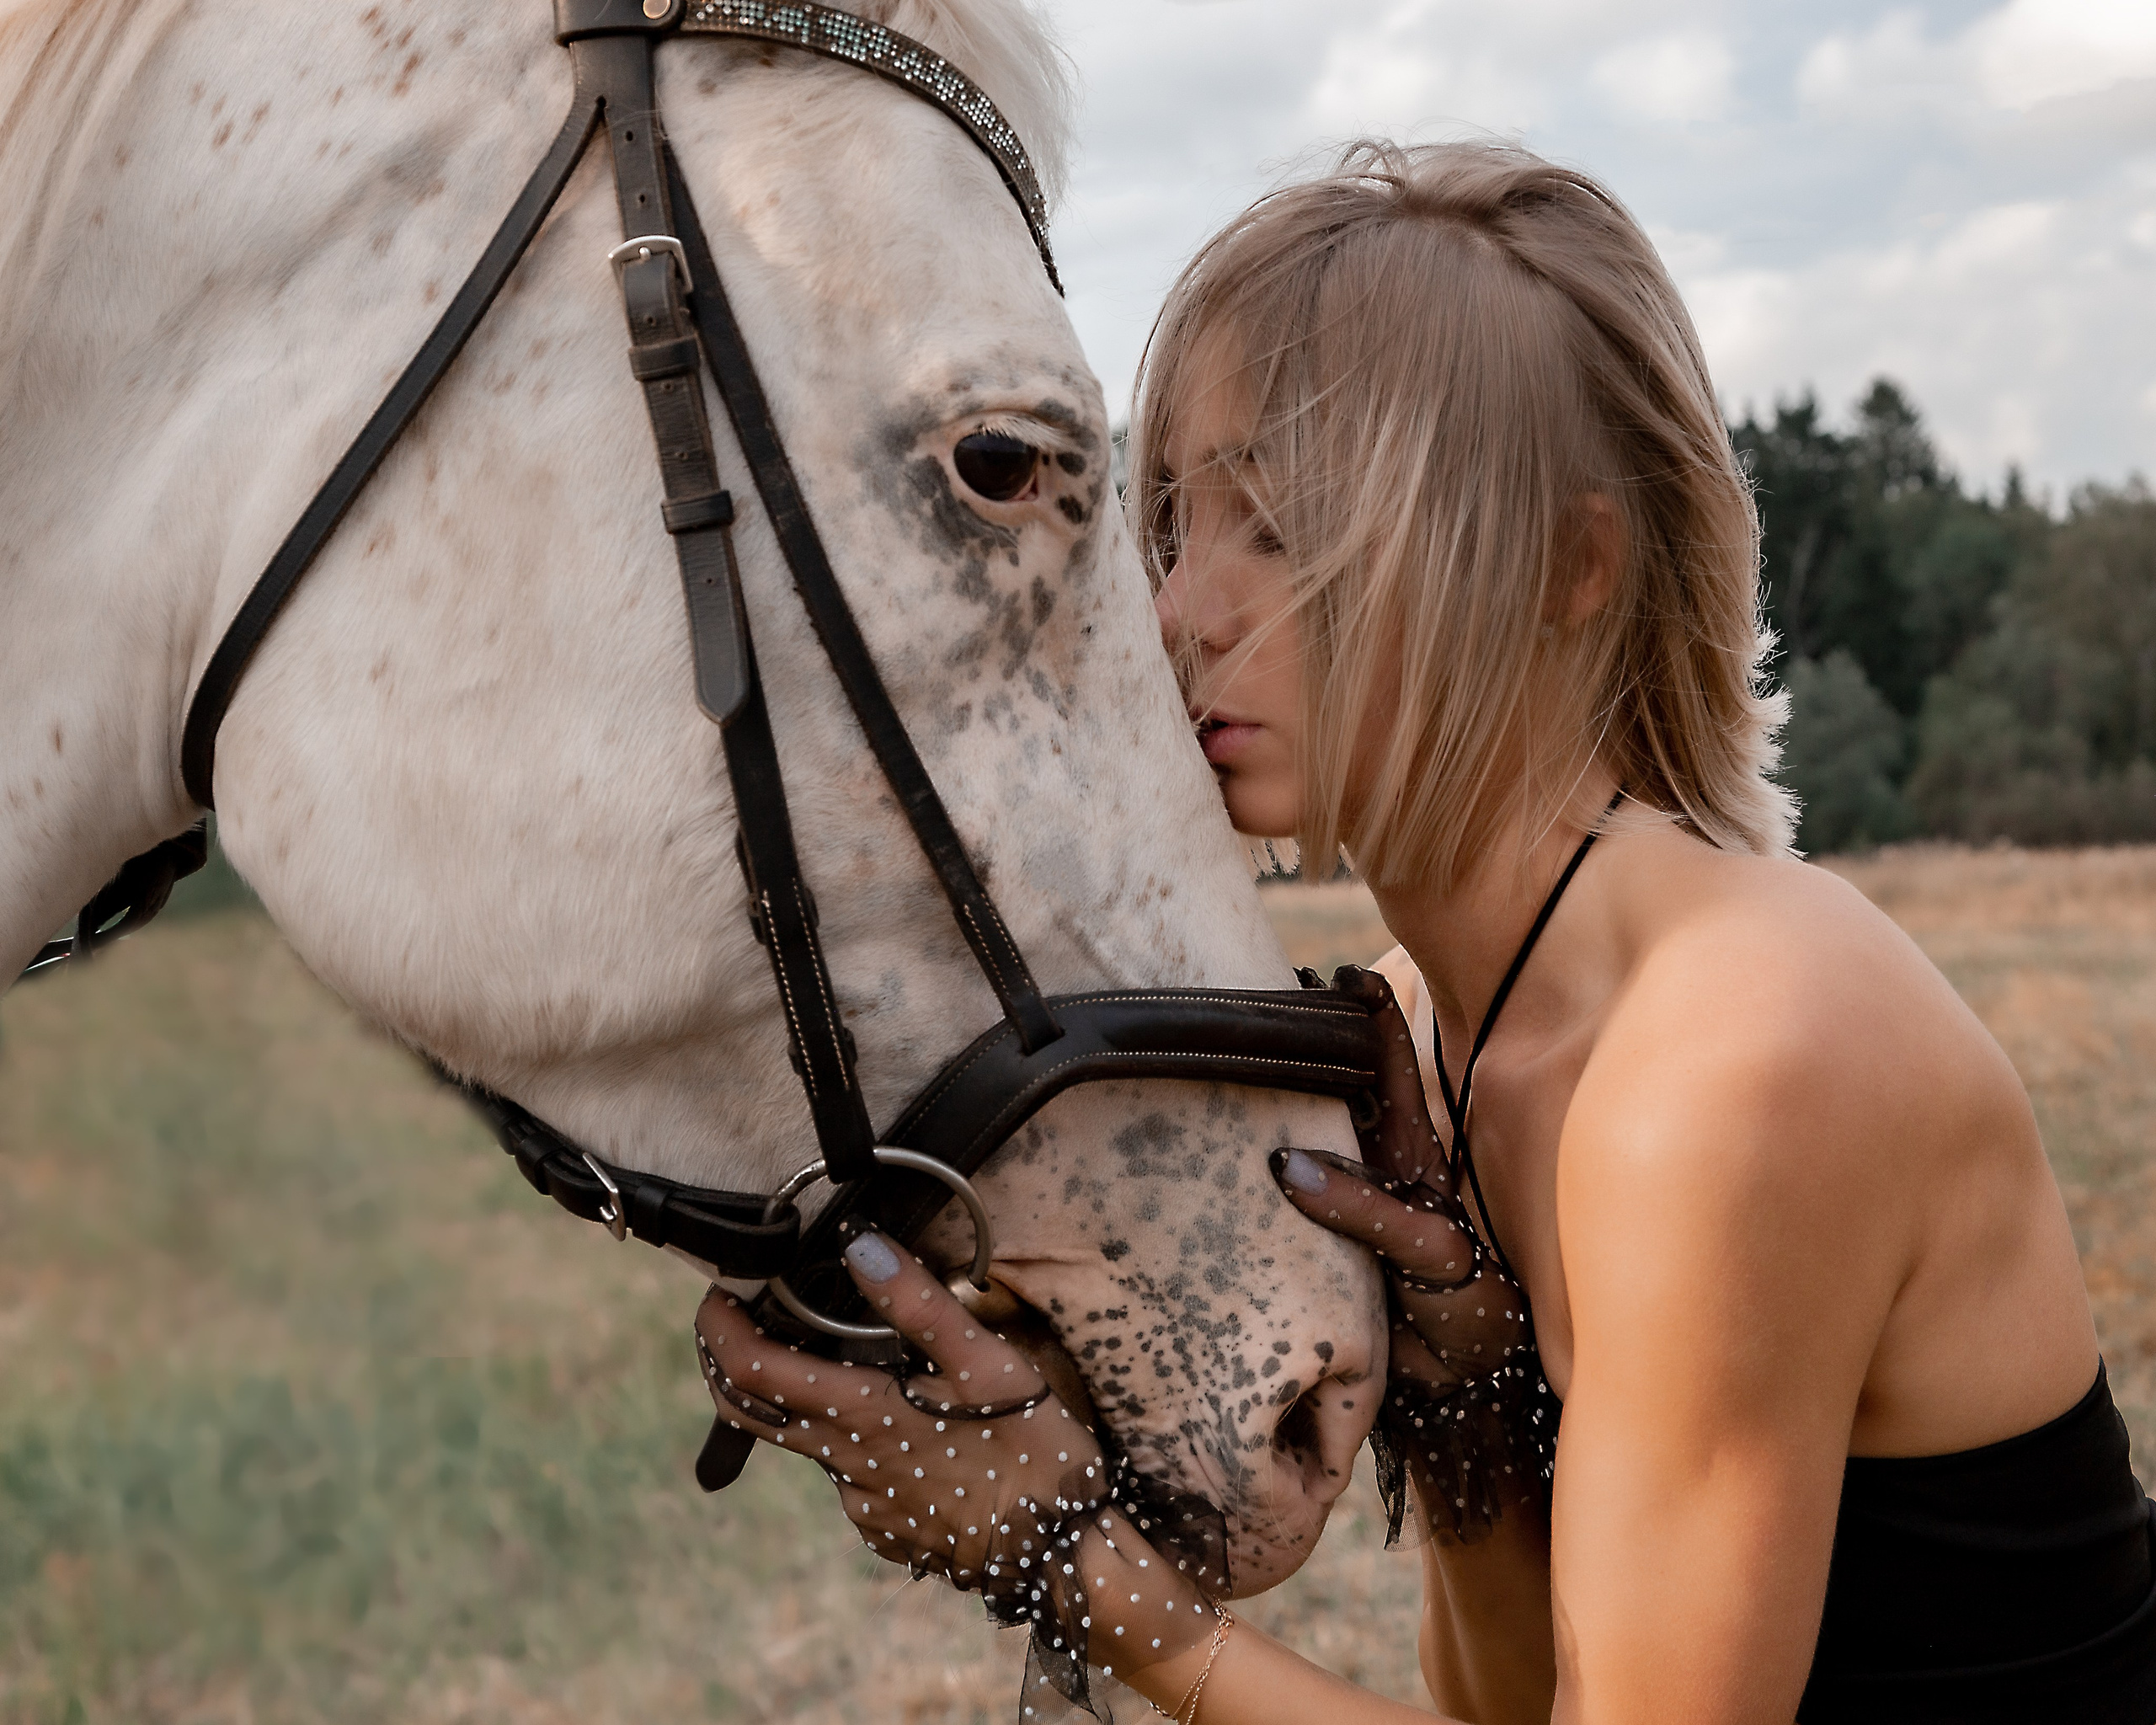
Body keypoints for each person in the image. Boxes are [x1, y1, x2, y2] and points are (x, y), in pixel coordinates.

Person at [694, 140, 2156, 1724]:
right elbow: (1506, 1699)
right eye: (1176, 523)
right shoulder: (1431, 1027)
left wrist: (1067, 1561)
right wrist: (1465, 1411)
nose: (1181, 613)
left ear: (1571, 567)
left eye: (1280, 527)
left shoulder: (1736, 1060)